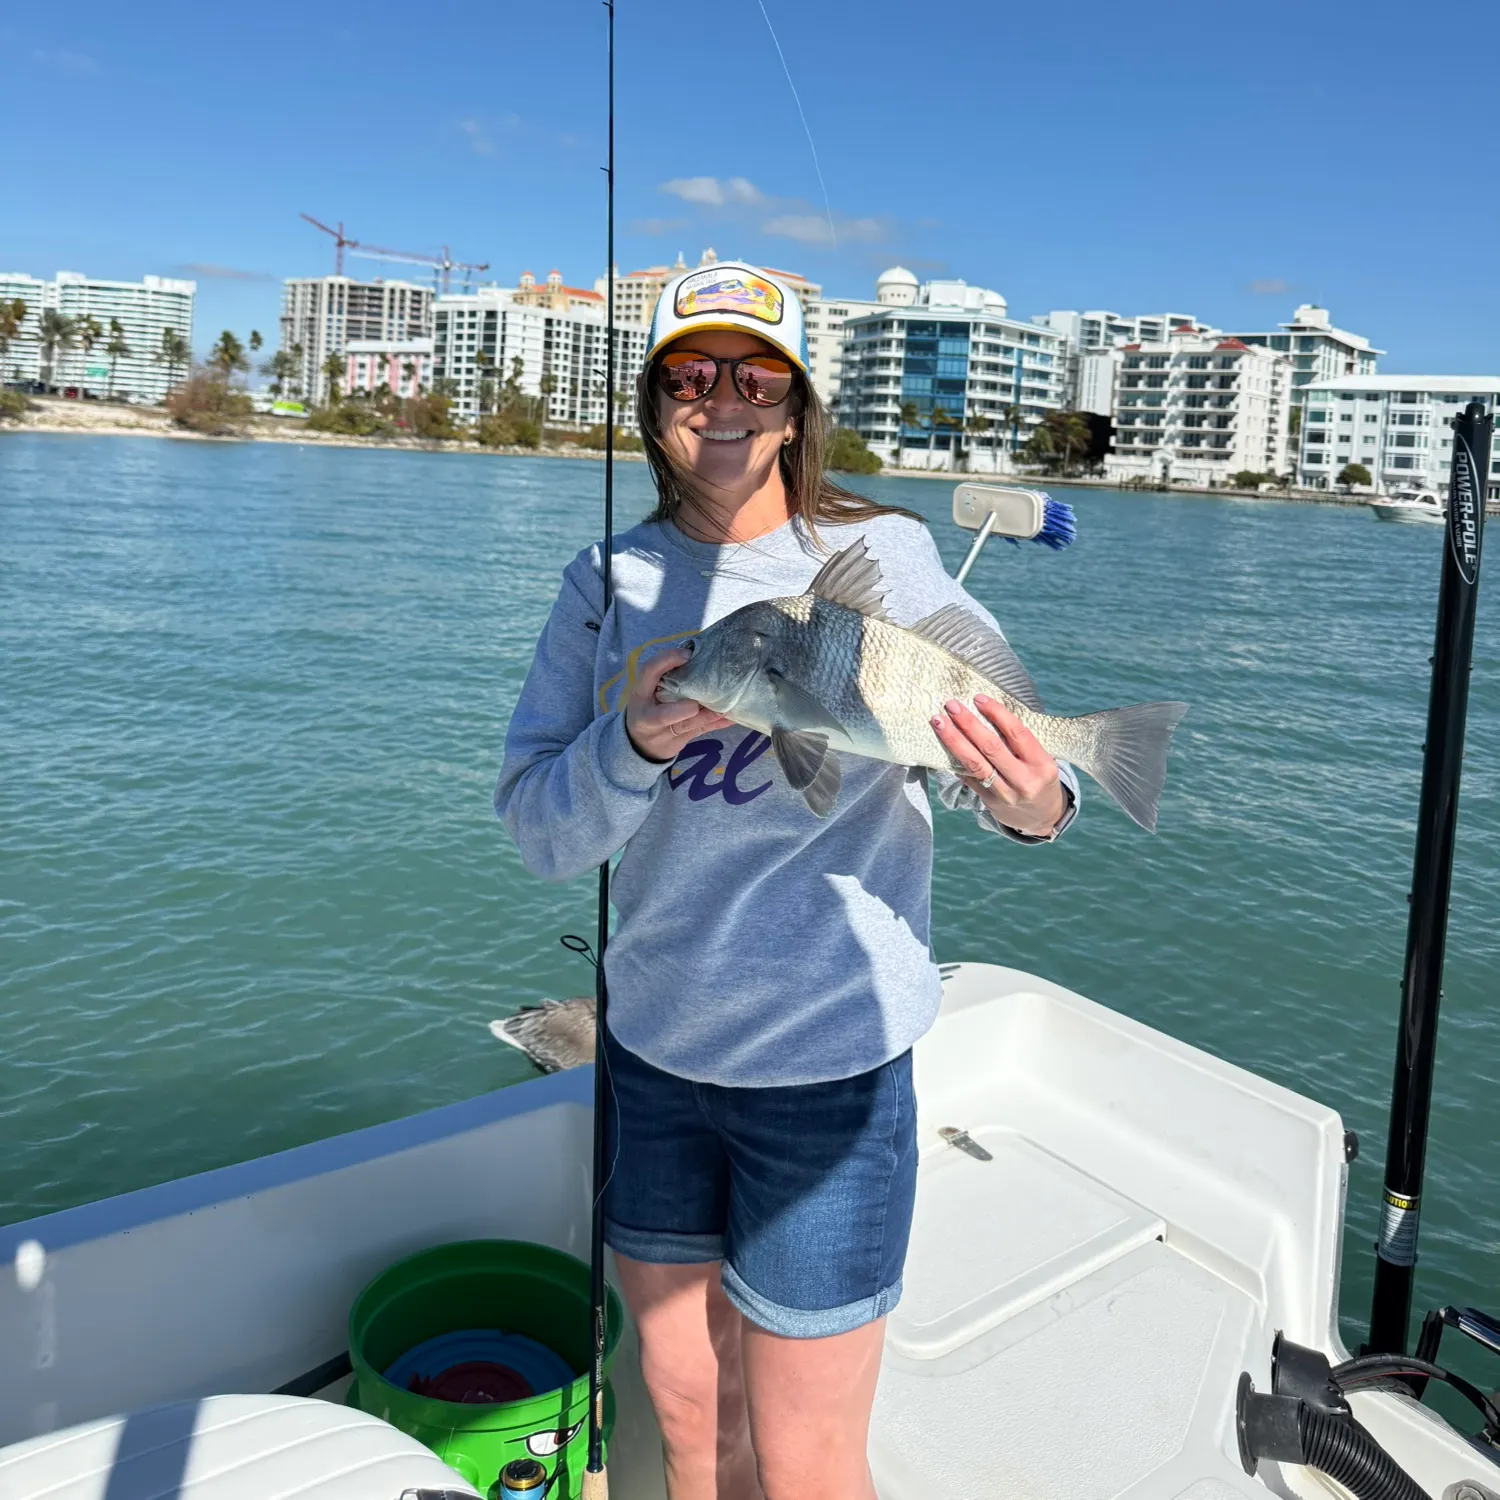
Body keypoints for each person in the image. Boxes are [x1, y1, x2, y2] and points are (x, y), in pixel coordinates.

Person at [495, 262, 1077, 1500]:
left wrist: (1037, 796)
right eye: (692, 373)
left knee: (809, 1460)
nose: (726, 399)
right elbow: (543, 835)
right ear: (654, 401)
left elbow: (1009, 770)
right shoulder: (604, 585)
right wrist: (634, 743)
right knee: (688, 1405)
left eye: (760, 375)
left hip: (833, 1069)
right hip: (652, 1060)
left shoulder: (891, 555)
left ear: (801, 404)